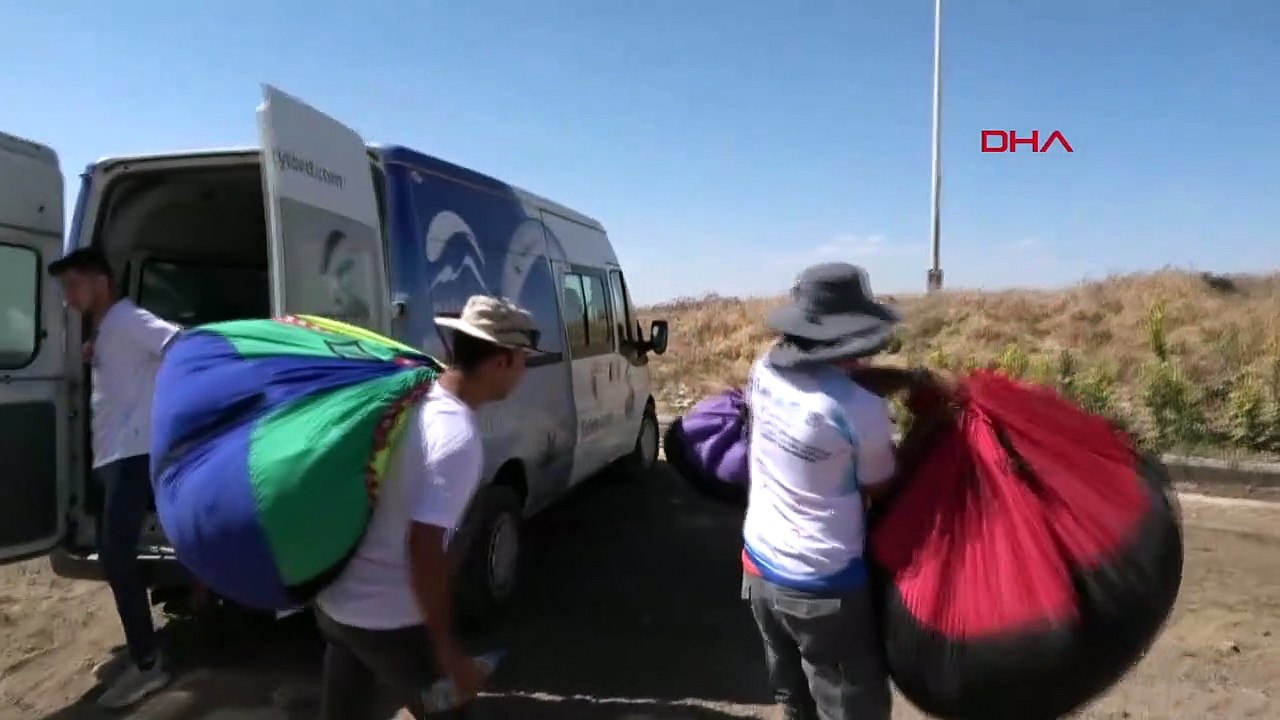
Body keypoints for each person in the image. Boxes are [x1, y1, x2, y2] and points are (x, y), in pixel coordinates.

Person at [313, 294, 541, 720]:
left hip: (337, 604)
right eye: (522, 360)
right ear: (501, 363)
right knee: (448, 707)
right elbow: (424, 550)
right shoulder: (456, 438)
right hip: (386, 621)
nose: (524, 371)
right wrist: (448, 652)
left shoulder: (415, 396)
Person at [740, 262, 934, 720]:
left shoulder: (763, 369)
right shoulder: (860, 410)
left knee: (795, 700)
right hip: (824, 588)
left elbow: (824, 383)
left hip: (759, 570)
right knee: (851, 707)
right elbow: (881, 485)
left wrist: (901, 379)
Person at [47, 246, 180, 709]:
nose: (69, 298)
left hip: (131, 455)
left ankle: (149, 665)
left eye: (74, 285)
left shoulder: (127, 320)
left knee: (118, 558)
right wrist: (95, 353)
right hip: (113, 457)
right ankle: (148, 649)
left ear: (101, 282)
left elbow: (180, 344)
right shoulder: (107, 330)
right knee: (117, 557)